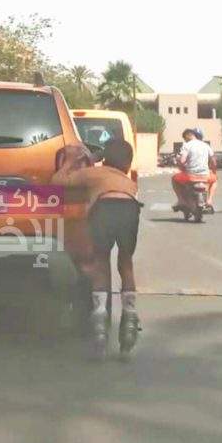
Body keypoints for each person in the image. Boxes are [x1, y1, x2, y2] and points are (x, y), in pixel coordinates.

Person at [52, 139, 142, 361]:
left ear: (105, 159)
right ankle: (130, 318)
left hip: (104, 208)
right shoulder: (129, 182)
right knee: (125, 263)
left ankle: (100, 323)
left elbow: (58, 181)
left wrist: (71, 161)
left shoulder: (94, 174)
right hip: (130, 209)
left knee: (100, 263)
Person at [172, 128, 216, 211]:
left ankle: (181, 200)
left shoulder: (187, 145)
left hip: (190, 176)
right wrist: (213, 171)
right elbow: (214, 162)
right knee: (214, 180)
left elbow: (182, 161)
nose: (185, 140)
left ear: (188, 136)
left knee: (174, 179)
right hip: (205, 176)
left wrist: (181, 166)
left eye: (185, 138)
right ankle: (209, 200)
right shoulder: (206, 145)